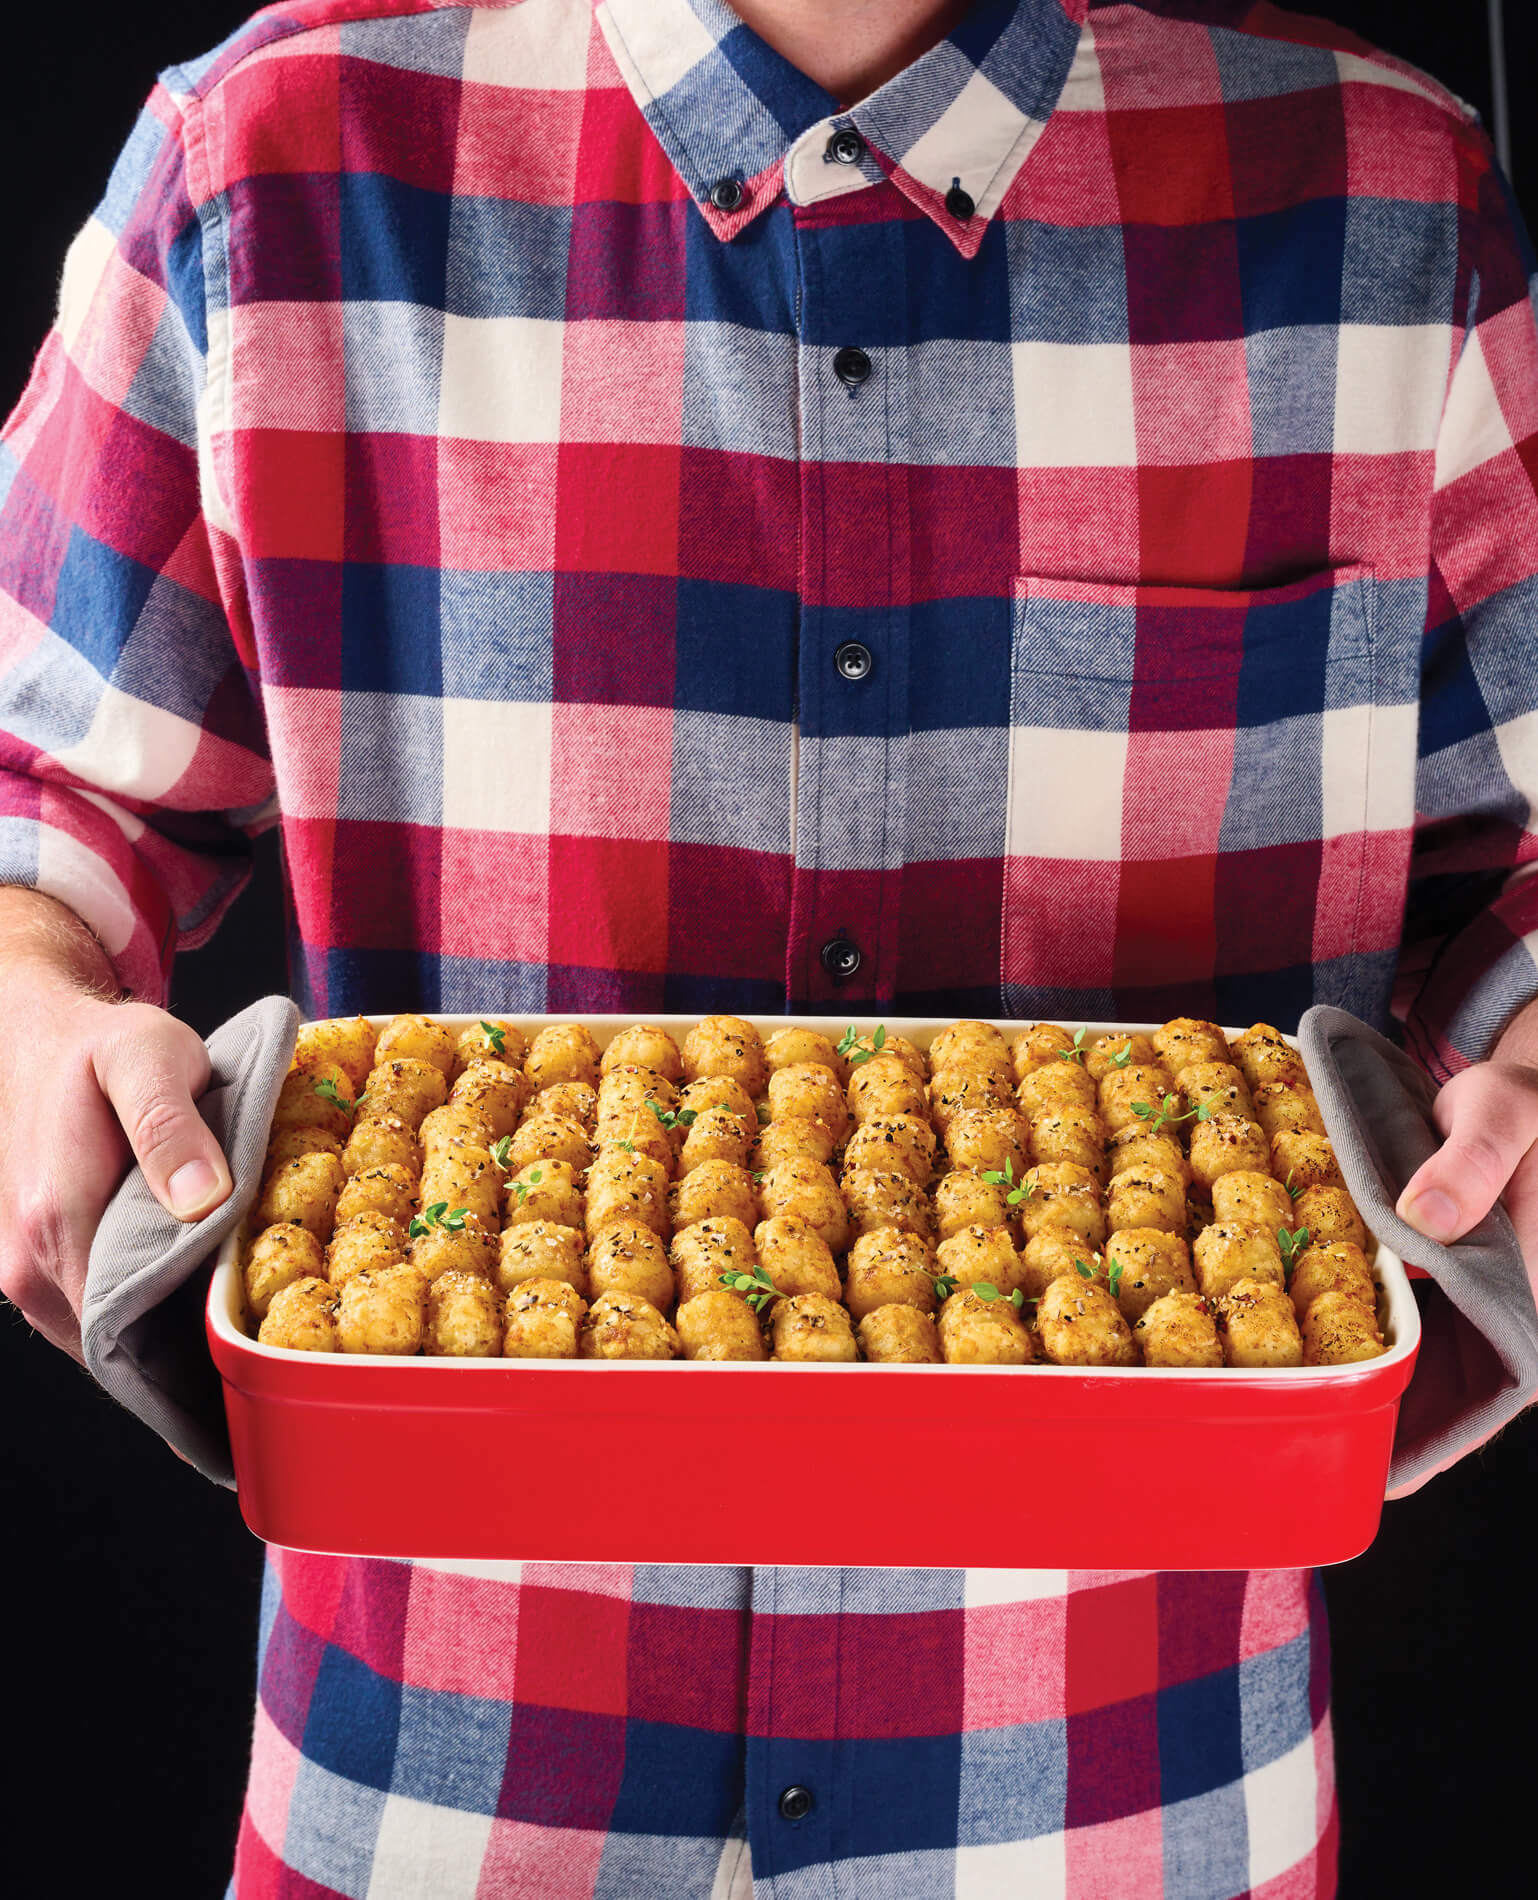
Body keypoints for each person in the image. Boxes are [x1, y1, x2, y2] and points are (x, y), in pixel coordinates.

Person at [2, 0, 1536, 1891]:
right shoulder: (266, 165)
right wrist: (28, 1007)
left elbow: (1511, 865)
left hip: (1124, 1784)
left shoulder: (1388, 201)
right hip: (447, 1785)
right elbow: (46, 799)